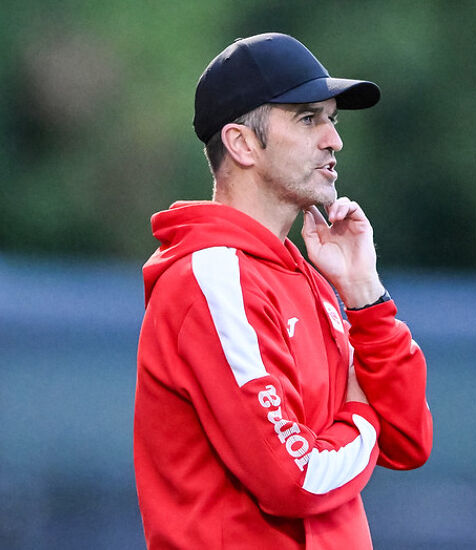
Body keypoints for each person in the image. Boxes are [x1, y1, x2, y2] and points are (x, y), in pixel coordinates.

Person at [134, 32, 432, 549]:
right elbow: (298, 478)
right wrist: (363, 419)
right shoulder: (211, 281)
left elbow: (408, 440)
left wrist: (365, 296)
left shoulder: (308, 278)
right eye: (307, 118)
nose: (334, 140)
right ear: (241, 143)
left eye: (332, 120)